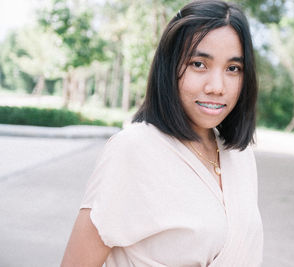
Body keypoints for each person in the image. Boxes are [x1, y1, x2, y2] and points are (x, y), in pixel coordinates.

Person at [61, 0, 263, 266]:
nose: (217, 86)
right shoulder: (134, 148)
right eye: (199, 64)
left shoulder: (239, 154)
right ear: (169, 69)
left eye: (232, 69)